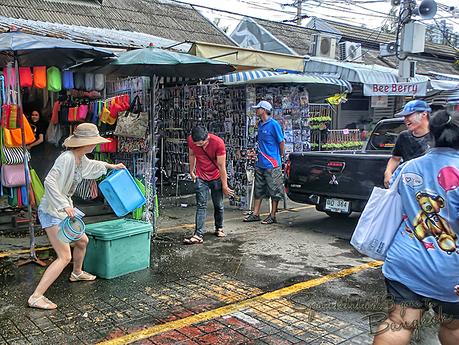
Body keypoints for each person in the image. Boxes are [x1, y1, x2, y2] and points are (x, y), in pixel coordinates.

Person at [373, 110, 459, 345]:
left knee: (399, 322)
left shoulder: (408, 167)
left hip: (405, 260)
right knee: (453, 326)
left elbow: (398, 205)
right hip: (450, 270)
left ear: (432, 133)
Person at [28, 123, 125, 310]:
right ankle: (36, 296)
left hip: (62, 210)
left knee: (82, 241)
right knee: (64, 256)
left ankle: (77, 273)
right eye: (94, 142)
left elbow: (93, 165)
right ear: (87, 143)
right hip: (52, 211)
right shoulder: (67, 158)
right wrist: (64, 205)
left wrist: (112, 166)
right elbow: (49, 182)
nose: (95, 145)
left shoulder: (80, 158)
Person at [183, 126, 234, 245]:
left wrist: (225, 186)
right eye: (198, 145)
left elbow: (222, 166)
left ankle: (219, 227)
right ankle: (198, 234)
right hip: (201, 177)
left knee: (219, 205)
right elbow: (192, 155)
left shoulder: (218, 143)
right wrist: (191, 171)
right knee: (201, 205)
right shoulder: (191, 140)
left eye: (202, 144)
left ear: (207, 138)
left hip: (216, 177)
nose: (200, 146)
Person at [243, 100, 285, 224]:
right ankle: (256, 213)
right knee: (258, 189)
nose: (256, 111)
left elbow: (281, 141)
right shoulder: (260, 124)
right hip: (260, 162)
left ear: (264, 110)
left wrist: (281, 156)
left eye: (258, 108)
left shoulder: (274, 125)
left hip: (272, 163)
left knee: (274, 190)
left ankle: (273, 215)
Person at [384, 100, 433, 188]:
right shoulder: (404, 136)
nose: (405, 120)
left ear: (424, 114)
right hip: (408, 184)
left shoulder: (437, 136)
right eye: (404, 117)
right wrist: (388, 172)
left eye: (408, 116)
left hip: (430, 186)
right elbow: (395, 158)